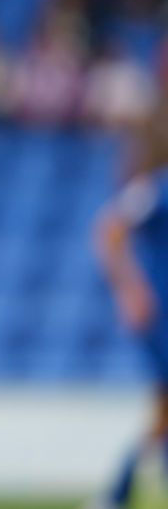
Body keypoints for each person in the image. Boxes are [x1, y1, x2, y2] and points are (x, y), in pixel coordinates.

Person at [92, 103, 168, 508]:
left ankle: (116, 494)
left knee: (162, 415)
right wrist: (130, 288)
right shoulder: (157, 188)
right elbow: (109, 228)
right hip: (162, 319)